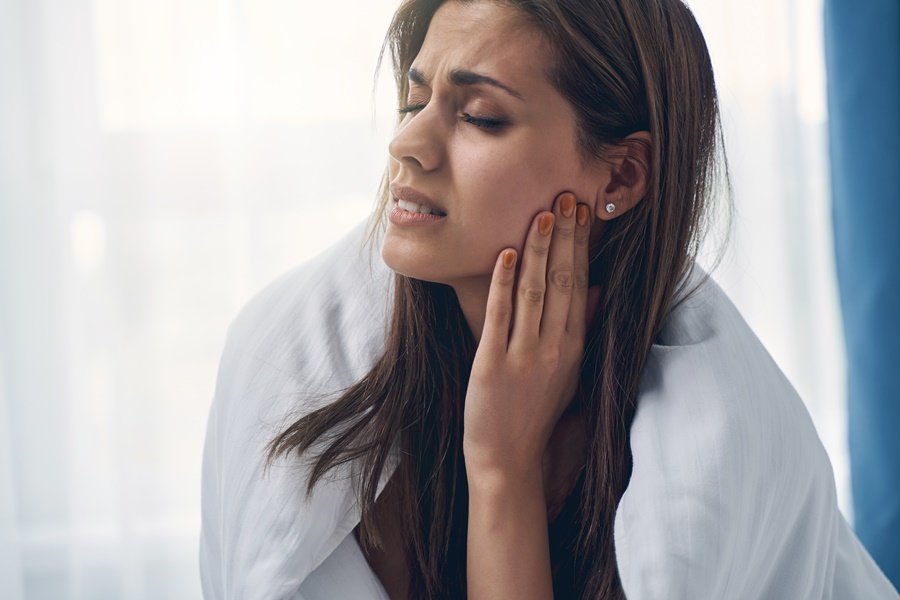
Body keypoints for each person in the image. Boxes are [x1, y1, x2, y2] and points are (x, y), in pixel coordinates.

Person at [199, 0, 899, 598]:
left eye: (480, 116)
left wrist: (503, 471)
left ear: (620, 176)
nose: (407, 143)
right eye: (414, 101)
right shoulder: (289, 360)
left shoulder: (718, 438)